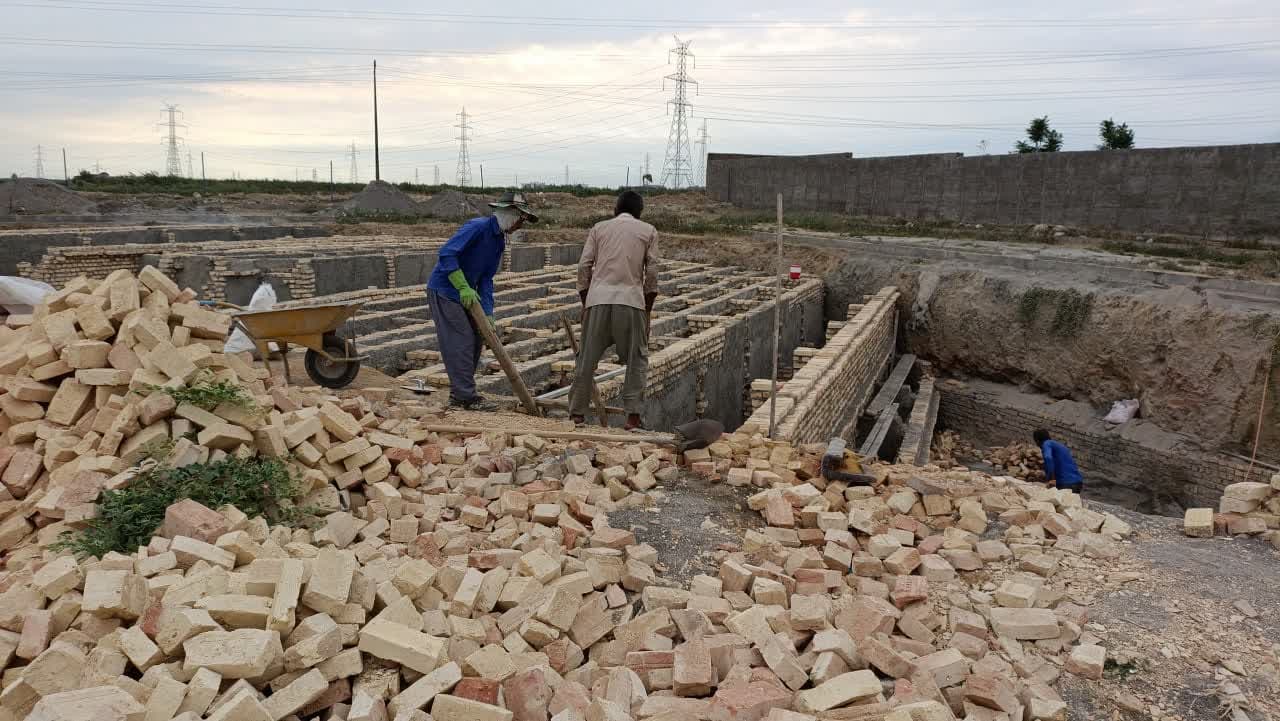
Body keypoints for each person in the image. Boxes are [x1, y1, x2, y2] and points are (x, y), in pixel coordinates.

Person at [426, 191, 539, 410]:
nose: (521, 225)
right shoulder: (477, 227)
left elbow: (486, 279)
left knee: (477, 337)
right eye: (521, 219)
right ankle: (463, 396)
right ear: (509, 214)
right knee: (461, 339)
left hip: (466, 293)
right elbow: (447, 254)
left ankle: (462, 391)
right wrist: (461, 286)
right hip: (446, 290)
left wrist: (488, 313)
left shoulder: (498, 242)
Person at [570, 190, 659, 430]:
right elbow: (651, 273)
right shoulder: (648, 231)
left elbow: (583, 266)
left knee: (586, 359)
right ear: (639, 212)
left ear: (615, 209)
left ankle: (577, 414)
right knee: (636, 360)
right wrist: (647, 309)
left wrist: (586, 300)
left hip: (598, 299)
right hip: (631, 301)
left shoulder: (599, 229)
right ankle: (632, 417)